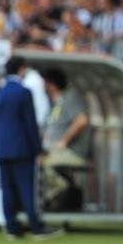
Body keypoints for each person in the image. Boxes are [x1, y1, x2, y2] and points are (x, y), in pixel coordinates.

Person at [0, 55, 57, 239]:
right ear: (21, 69)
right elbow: (30, 125)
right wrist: (38, 149)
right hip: (21, 149)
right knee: (28, 188)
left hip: (2, 149)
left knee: (7, 189)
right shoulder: (23, 92)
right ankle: (36, 226)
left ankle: (11, 227)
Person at [40, 67, 92, 211]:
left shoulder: (70, 97)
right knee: (35, 159)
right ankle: (55, 194)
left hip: (72, 151)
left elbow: (82, 120)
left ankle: (60, 189)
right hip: (54, 151)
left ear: (50, 83)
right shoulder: (54, 103)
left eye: (44, 82)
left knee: (39, 163)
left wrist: (64, 141)